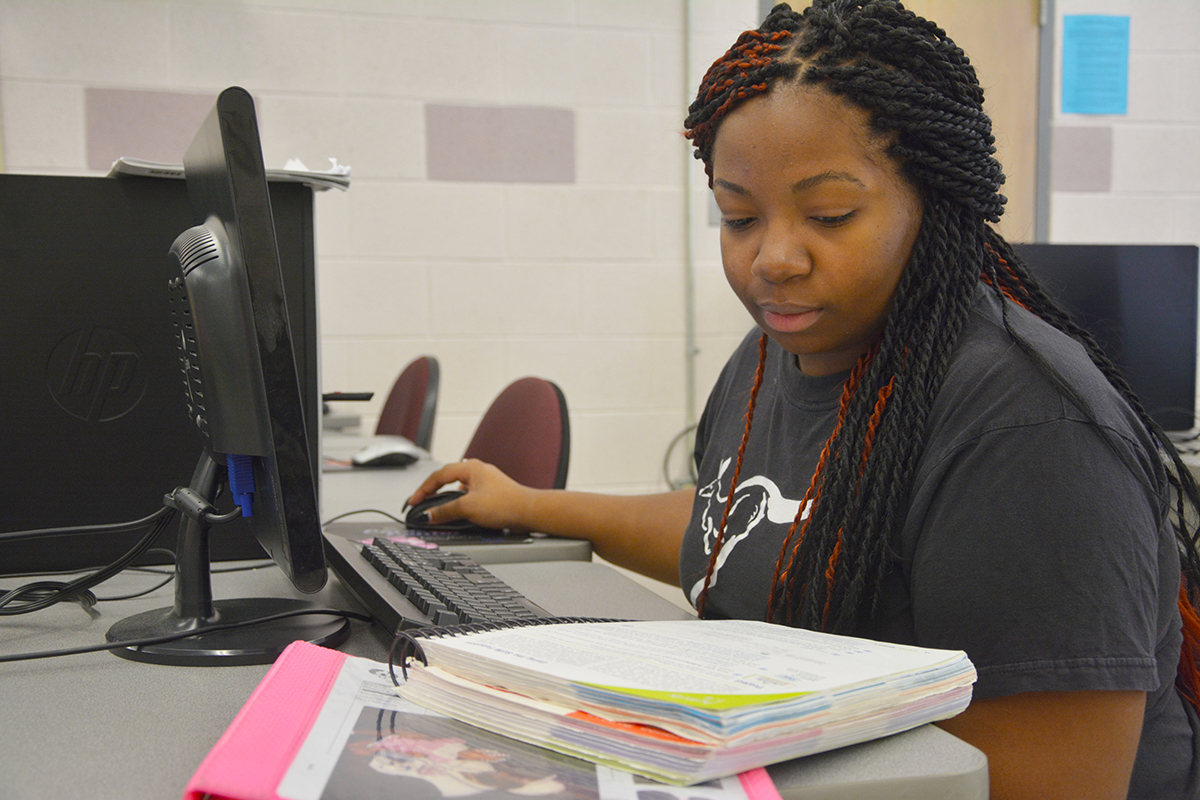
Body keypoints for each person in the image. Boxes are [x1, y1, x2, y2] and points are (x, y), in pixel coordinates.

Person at [407, 2, 1200, 797]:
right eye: (739, 215)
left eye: (830, 214)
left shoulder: (1033, 433)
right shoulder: (775, 354)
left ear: (935, 203)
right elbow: (737, 521)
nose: (774, 258)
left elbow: (1041, 784)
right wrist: (535, 505)